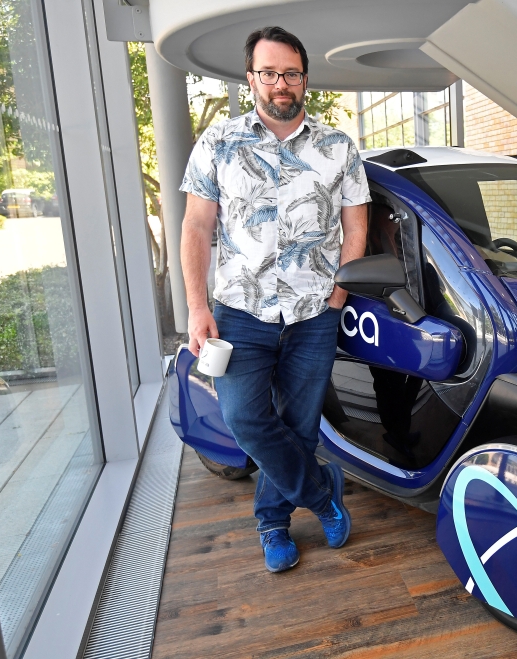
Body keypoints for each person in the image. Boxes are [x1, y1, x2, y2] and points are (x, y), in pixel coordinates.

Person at [179, 26, 369, 573]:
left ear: (304, 79)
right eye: (269, 73)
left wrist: (339, 292)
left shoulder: (339, 147)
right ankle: (322, 492)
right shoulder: (219, 143)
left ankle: (272, 523)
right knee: (246, 419)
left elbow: (355, 227)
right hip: (241, 312)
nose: (280, 83)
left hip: (314, 313)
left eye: (289, 73)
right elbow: (195, 228)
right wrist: (197, 307)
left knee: (301, 425)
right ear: (251, 78)